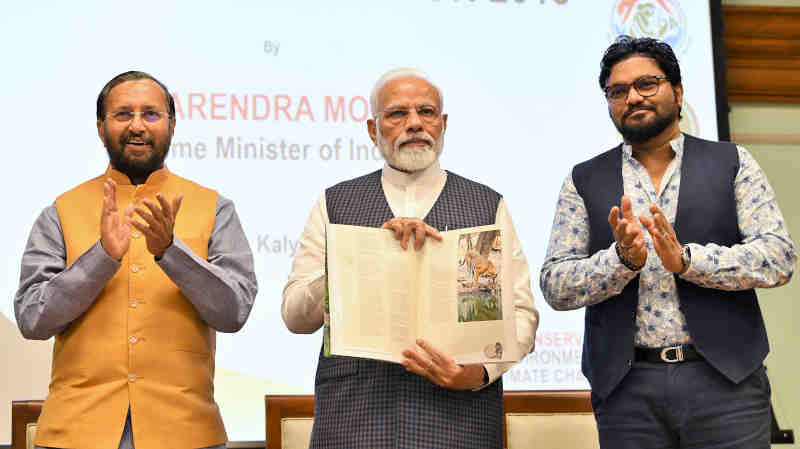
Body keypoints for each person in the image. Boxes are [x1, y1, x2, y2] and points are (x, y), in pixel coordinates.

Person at [540, 36, 796, 448]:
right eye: (618, 91)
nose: (633, 98)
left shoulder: (732, 162)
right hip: (627, 391)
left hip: (726, 385)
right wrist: (621, 261)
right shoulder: (583, 179)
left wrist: (688, 261)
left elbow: (778, 258)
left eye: (647, 84)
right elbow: (555, 284)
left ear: (677, 92)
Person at [282, 68, 539, 449]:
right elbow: (295, 316)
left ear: (444, 124)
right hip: (354, 423)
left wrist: (481, 372)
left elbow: (521, 316)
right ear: (373, 130)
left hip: (459, 424)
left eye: (427, 112)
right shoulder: (334, 204)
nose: (415, 123)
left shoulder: (486, 205)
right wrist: (350, 260)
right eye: (397, 114)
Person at [15, 71, 258, 449]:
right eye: (123, 114)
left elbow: (234, 312)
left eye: (151, 114)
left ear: (172, 125)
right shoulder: (61, 211)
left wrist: (170, 252)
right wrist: (102, 258)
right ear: (100, 127)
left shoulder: (215, 208)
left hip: (186, 432)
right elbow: (32, 318)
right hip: (76, 432)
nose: (137, 126)